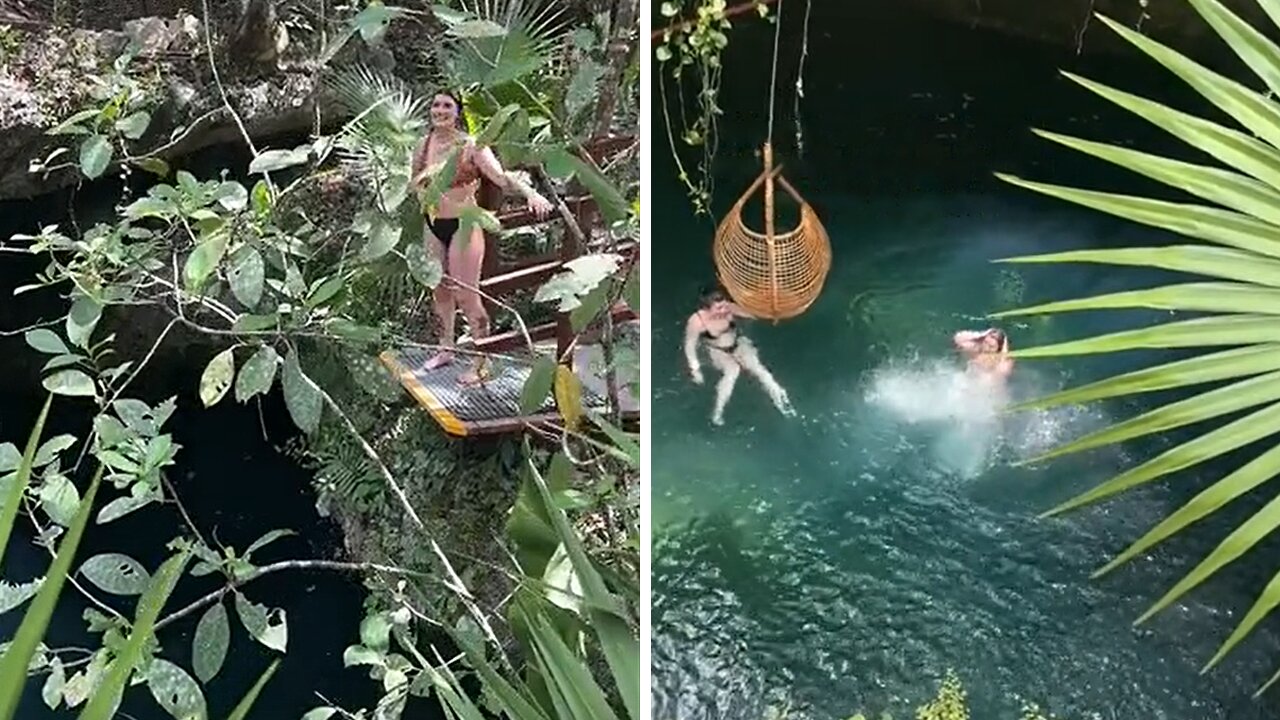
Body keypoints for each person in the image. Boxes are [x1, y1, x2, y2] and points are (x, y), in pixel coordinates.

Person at [410, 90, 554, 384]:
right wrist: (428, 186)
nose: (440, 110)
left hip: (465, 224)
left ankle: (481, 358)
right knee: (439, 289)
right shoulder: (422, 145)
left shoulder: (471, 145)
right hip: (433, 223)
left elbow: (501, 177)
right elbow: (414, 182)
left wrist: (530, 193)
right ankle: (445, 348)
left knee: (467, 294)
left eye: (447, 105)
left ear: (457, 112)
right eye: (436, 104)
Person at [684, 287, 795, 425]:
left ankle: (780, 396)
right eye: (718, 308)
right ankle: (718, 412)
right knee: (732, 371)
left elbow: (752, 314)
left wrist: (771, 312)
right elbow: (689, 346)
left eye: (724, 306)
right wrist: (695, 369)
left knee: (758, 368)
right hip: (717, 349)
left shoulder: (729, 308)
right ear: (707, 308)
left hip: (738, 343)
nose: (724, 310)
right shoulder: (697, 321)